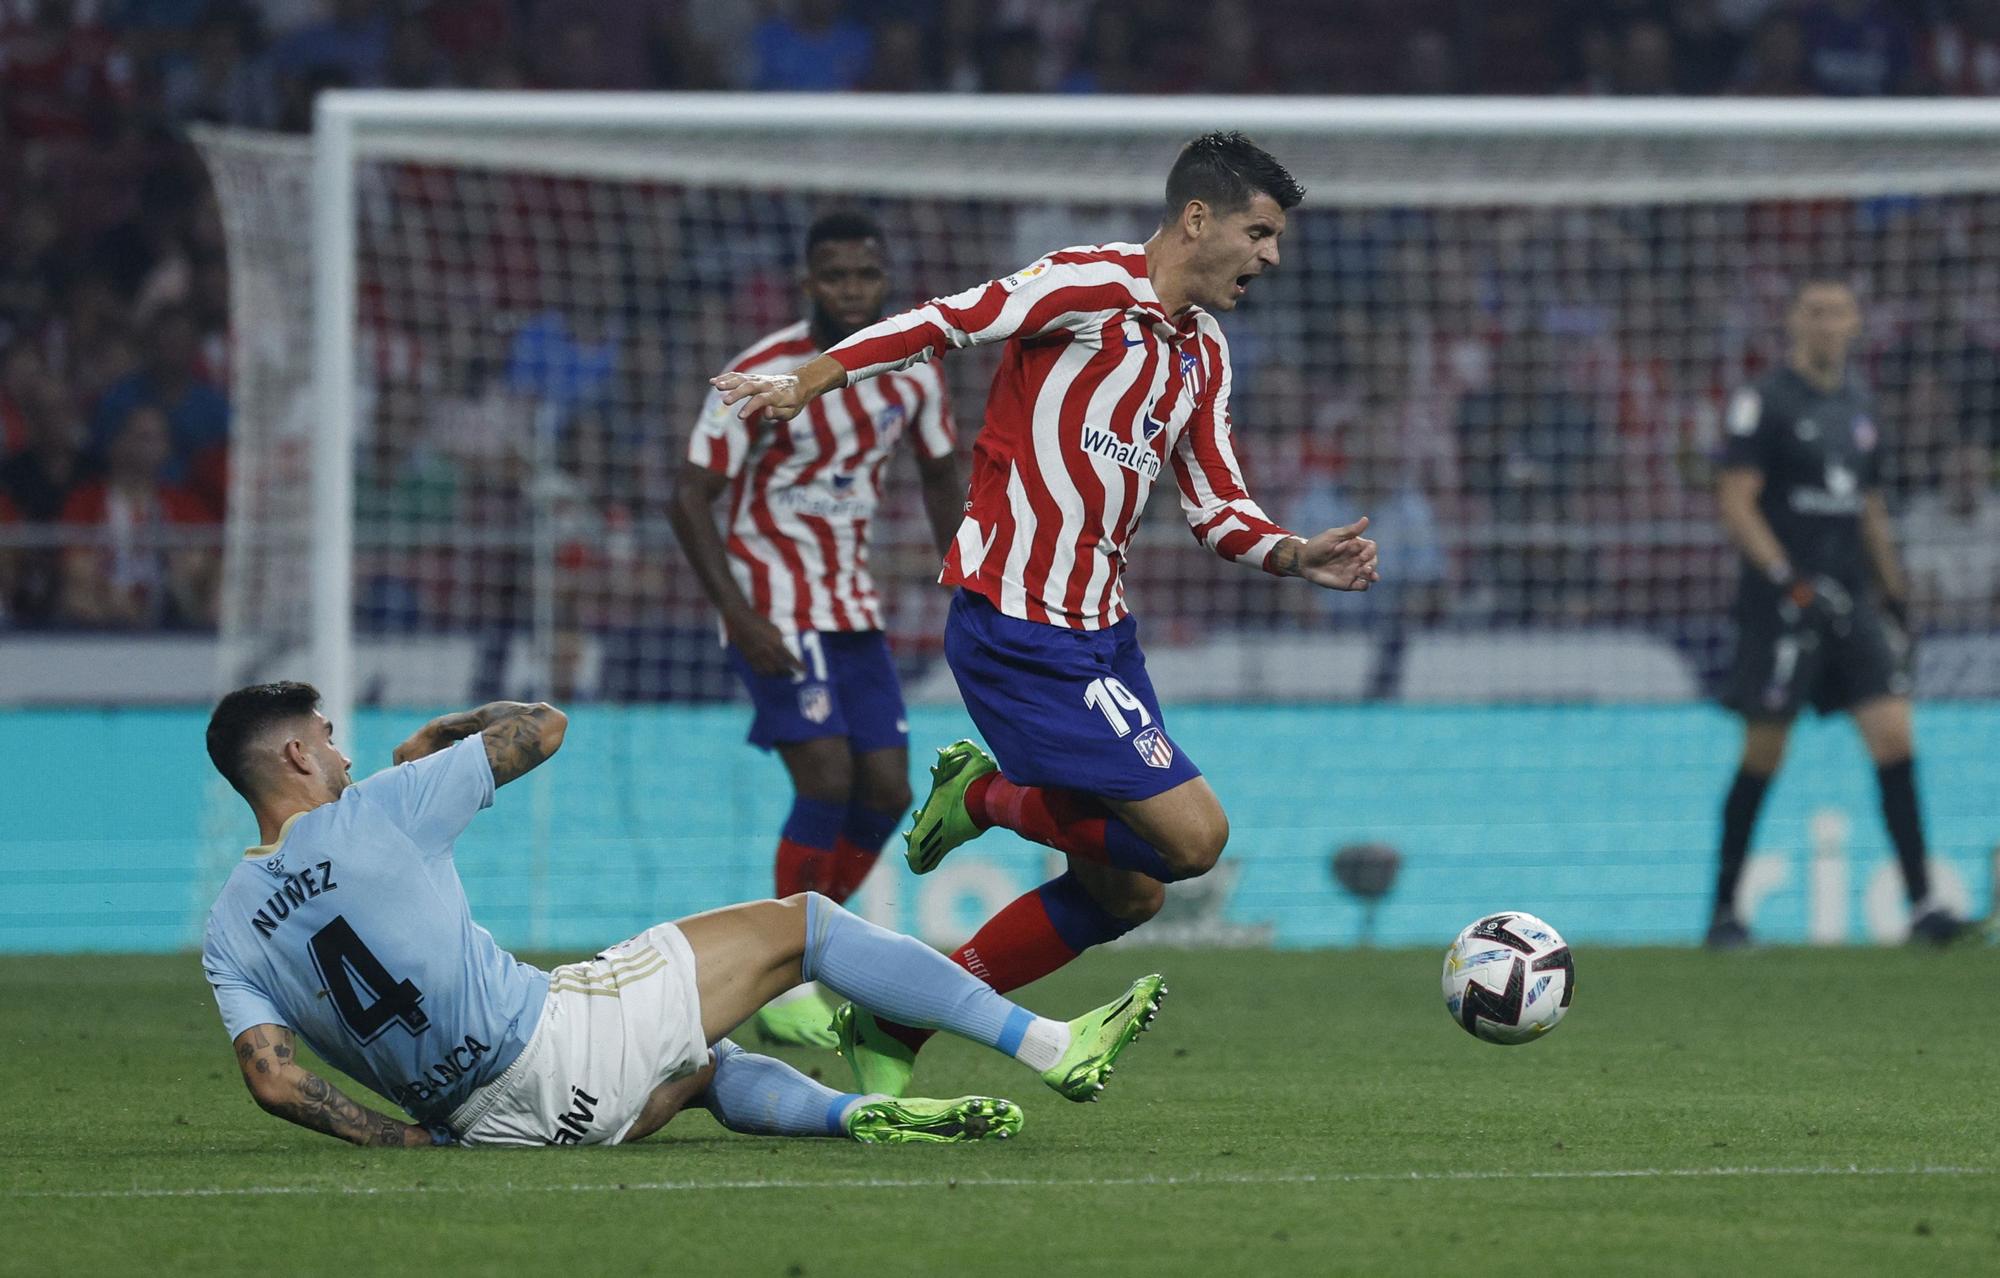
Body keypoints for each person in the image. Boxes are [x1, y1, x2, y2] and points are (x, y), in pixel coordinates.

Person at [713, 132, 1378, 1095]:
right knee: (1194, 843)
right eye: (1260, 232)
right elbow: (948, 320)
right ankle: (987, 798)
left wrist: (1291, 552)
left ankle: (895, 1022)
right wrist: (808, 378)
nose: (1272, 256)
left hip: (1100, 630)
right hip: (1016, 620)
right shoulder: (1086, 285)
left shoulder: (1204, 353)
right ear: (1198, 220)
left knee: (1130, 890)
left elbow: (1216, 503)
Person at [199, 682, 1166, 1149]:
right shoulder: (382, 807)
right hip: (554, 1048)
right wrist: (440, 735)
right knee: (809, 925)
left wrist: (404, 1140)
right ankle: (1049, 1045)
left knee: (705, 1065)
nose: (344, 753)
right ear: (292, 758)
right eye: (327, 740)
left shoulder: (229, 928)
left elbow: (275, 1083)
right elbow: (543, 729)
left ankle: (864, 1115)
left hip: (494, 1128)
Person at [670, 209, 964, 1047]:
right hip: (773, 609)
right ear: (808, 284)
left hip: (852, 609)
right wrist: (737, 614)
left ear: (884, 280)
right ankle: (785, 968)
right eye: (834, 277)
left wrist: (966, 575)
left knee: (890, 790)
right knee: (827, 778)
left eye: (864, 275)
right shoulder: (761, 372)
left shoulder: (912, 367)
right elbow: (688, 496)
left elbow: (942, 473)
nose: (851, 290)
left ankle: (801, 957)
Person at [1708, 279, 1966, 948]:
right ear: (1794, 322)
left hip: (1849, 599)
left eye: (1839, 312)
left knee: (1894, 735)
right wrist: (1787, 578)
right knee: (1765, 748)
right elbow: (1737, 502)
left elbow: (1870, 508)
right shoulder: (1761, 402)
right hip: (1784, 602)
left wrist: (1897, 593)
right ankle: (1724, 911)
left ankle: (1922, 906)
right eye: (1814, 312)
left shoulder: (1859, 406)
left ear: (1856, 323)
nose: (1827, 323)